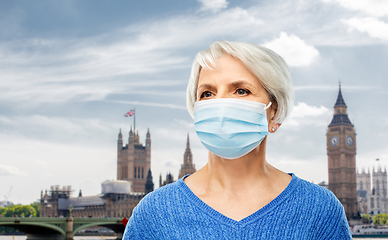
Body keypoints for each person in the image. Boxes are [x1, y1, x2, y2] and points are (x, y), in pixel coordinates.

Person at [123, 41, 352, 239]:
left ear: (275, 112)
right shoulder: (154, 213)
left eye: (241, 91)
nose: (220, 104)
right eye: (207, 94)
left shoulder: (320, 210)